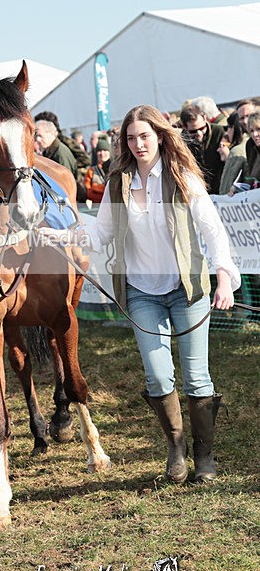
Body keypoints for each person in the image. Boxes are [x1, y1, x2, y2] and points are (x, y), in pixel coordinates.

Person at [40, 105, 240, 484]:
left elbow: (212, 231)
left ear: (160, 136)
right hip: (141, 293)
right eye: (131, 138)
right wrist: (63, 236)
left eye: (144, 136)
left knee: (197, 379)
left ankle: (205, 456)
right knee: (158, 378)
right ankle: (176, 449)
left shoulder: (181, 176)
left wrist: (225, 277)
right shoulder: (118, 183)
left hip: (187, 289)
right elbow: (100, 235)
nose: (138, 144)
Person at [180, 103, 225, 194]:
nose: (199, 134)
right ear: (185, 127)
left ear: (204, 118)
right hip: (199, 192)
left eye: (202, 128)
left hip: (220, 190)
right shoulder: (181, 141)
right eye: (193, 131)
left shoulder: (219, 131)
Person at [217, 111, 248, 194]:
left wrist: (230, 159)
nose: (227, 132)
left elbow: (225, 189)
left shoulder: (237, 151)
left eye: (228, 127)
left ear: (234, 127)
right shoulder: (252, 145)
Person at [83, 136, 112, 204]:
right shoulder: (91, 171)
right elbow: (88, 192)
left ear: (109, 152)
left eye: (105, 150)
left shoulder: (115, 168)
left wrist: (96, 188)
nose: (102, 153)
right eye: (99, 151)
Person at [244, 109, 260, 186]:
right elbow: (250, 176)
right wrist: (238, 188)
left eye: (258, 129)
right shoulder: (250, 145)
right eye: (251, 131)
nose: (255, 134)